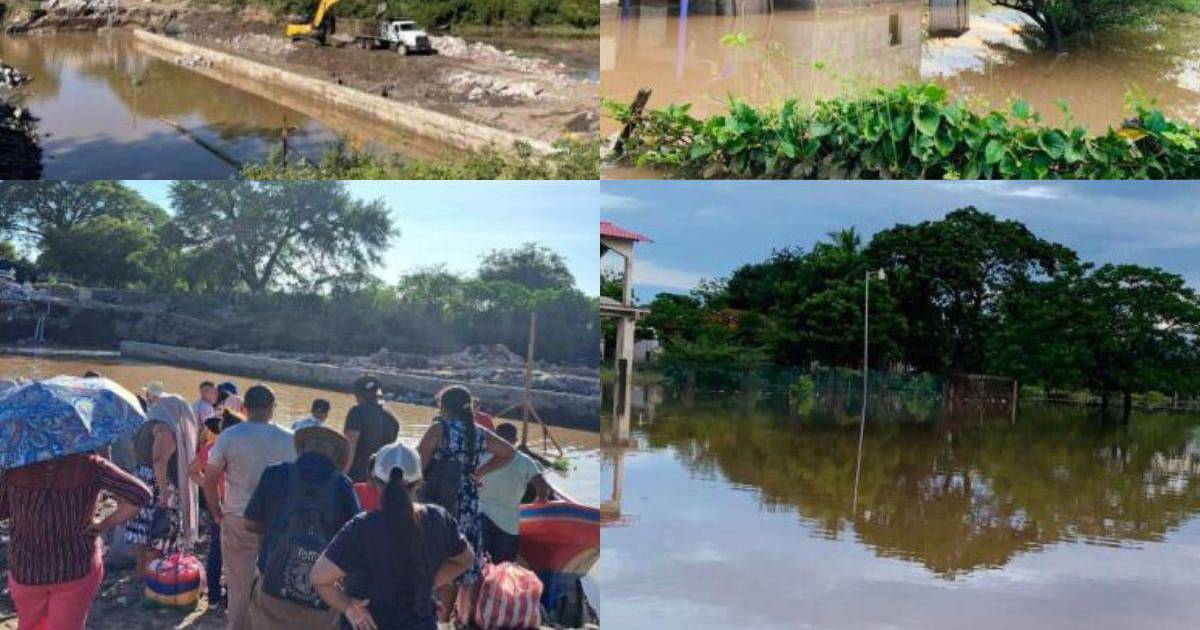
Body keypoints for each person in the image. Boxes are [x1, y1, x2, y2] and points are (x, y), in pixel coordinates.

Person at [311, 443, 475, 630]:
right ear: (420, 481)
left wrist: (348, 605)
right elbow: (465, 560)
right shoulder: (439, 519)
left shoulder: (360, 528)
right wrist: (426, 582)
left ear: (374, 481)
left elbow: (319, 578)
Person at [0, 453, 152, 630]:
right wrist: (104, 524)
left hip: (26, 568)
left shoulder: (13, 468)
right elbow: (140, 494)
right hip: (76, 565)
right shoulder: (91, 465)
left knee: (30, 625)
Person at [244, 425, 361, 628]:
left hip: (271, 584)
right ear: (335, 456)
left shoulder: (274, 473)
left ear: (303, 447)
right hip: (320, 593)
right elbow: (355, 541)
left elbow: (250, 523)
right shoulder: (343, 485)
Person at [417, 385, 515, 621]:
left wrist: (415, 493)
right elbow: (508, 451)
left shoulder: (439, 429)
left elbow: (419, 463)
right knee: (455, 557)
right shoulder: (477, 432)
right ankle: (444, 618)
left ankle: (423, 611)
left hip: (438, 497)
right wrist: (478, 473)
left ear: (443, 406)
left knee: (428, 550)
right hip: (466, 499)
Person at [203, 384, 297, 630]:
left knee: (238, 582)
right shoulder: (291, 440)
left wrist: (216, 511)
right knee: (273, 581)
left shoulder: (229, 436)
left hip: (237, 517)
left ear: (244, 407)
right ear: (272, 408)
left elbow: (209, 480)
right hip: (275, 522)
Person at [125, 381, 200, 579]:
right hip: (156, 484)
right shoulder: (164, 429)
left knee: (142, 528)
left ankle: (142, 571)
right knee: (160, 529)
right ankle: (152, 574)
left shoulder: (146, 424)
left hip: (141, 479)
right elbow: (159, 461)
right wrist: (163, 491)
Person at [190, 409, 244, 607]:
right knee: (237, 554)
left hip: (217, 505)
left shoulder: (212, 446)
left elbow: (192, 471)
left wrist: (207, 484)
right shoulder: (244, 449)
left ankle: (213, 595)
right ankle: (231, 596)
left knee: (216, 550)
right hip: (239, 507)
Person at [478, 423, 551, 563]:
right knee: (504, 566)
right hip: (508, 521)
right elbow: (542, 485)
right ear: (515, 440)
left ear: (495, 438)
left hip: (480, 515)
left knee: (481, 562)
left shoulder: (481, 457)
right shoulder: (525, 461)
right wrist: (541, 500)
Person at [344, 375, 399, 482]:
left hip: (357, 476)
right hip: (379, 479)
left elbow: (350, 446)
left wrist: (342, 475)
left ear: (358, 395)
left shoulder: (357, 412)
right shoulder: (392, 418)